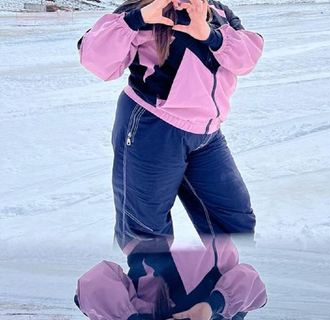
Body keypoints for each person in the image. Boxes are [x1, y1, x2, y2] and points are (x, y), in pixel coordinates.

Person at [77, 0, 264, 254]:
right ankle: (148, 291)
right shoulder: (144, 7)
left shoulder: (218, 11)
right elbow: (95, 59)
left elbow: (247, 60)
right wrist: (138, 18)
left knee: (235, 224)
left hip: (207, 134)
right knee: (147, 235)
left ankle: (220, 289)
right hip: (152, 129)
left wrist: (210, 35)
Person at [74, 236, 267, 320]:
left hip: (146, 228)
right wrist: (212, 305)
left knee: (142, 158)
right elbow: (250, 281)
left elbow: (96, 281)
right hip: (206, 220)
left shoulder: (135, 312)